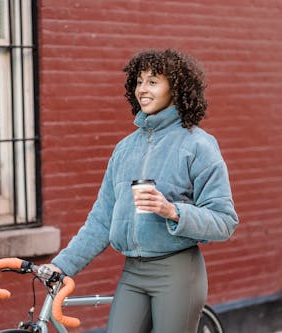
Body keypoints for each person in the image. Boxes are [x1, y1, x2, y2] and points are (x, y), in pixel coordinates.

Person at [47, 49, 239, 333]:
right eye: (138, 81)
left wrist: (172, 211)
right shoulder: (124, 149)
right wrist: (62, 266)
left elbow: (224, 221)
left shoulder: (198, 145)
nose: (142, 90)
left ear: (176, 87)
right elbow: (101, 220)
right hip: (133, 273)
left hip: (178, 272)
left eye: (153, 81)